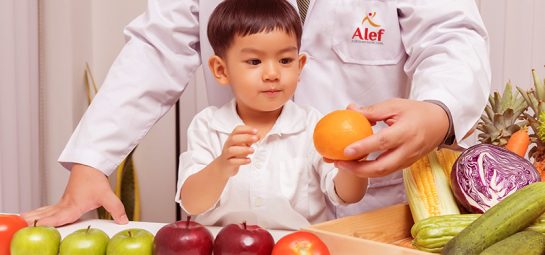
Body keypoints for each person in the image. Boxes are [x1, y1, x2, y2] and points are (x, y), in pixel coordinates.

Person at [23, 0, 491, 226]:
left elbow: (452, 36)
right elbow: (156, 49)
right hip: (245, 231)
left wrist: (438, 111)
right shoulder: (210, 130)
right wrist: (92, 161)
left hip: (378, 205)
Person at [176, 0, 367, 230]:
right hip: (225, 247)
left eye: (285, 60)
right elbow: (192, 203)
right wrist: (221, 167)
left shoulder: (312, 125)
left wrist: (354, 161)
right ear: (221, 70)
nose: (272, 74)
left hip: (298, 247)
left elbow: (347, 195)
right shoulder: (207, 126)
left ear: (300, 65)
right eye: (254, 61)